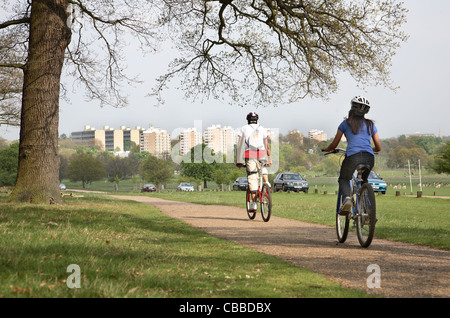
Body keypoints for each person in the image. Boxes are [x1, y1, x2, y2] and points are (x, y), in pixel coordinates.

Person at [322, 96, 381, 213]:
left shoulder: (345, 124)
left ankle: (347, 199)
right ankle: (368, 210)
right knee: (364, 180)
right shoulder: (371, 125)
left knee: (344, 179)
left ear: (352, 108)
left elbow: (334, 144)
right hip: (369, 157)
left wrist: (327, 149)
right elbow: (378, 147)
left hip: (352, 157)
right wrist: (370, 149)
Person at [236, 112, 272, 211]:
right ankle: (267, 182)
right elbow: (267, 145)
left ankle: (254, 204)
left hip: (250, 154)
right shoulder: (262, 128)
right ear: (257, 120)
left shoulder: (243, 128)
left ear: (248, 120)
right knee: (262, 167)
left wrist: (238, 160)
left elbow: (239, 146)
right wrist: (270, 159)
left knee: (252, 176)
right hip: (261, 153)